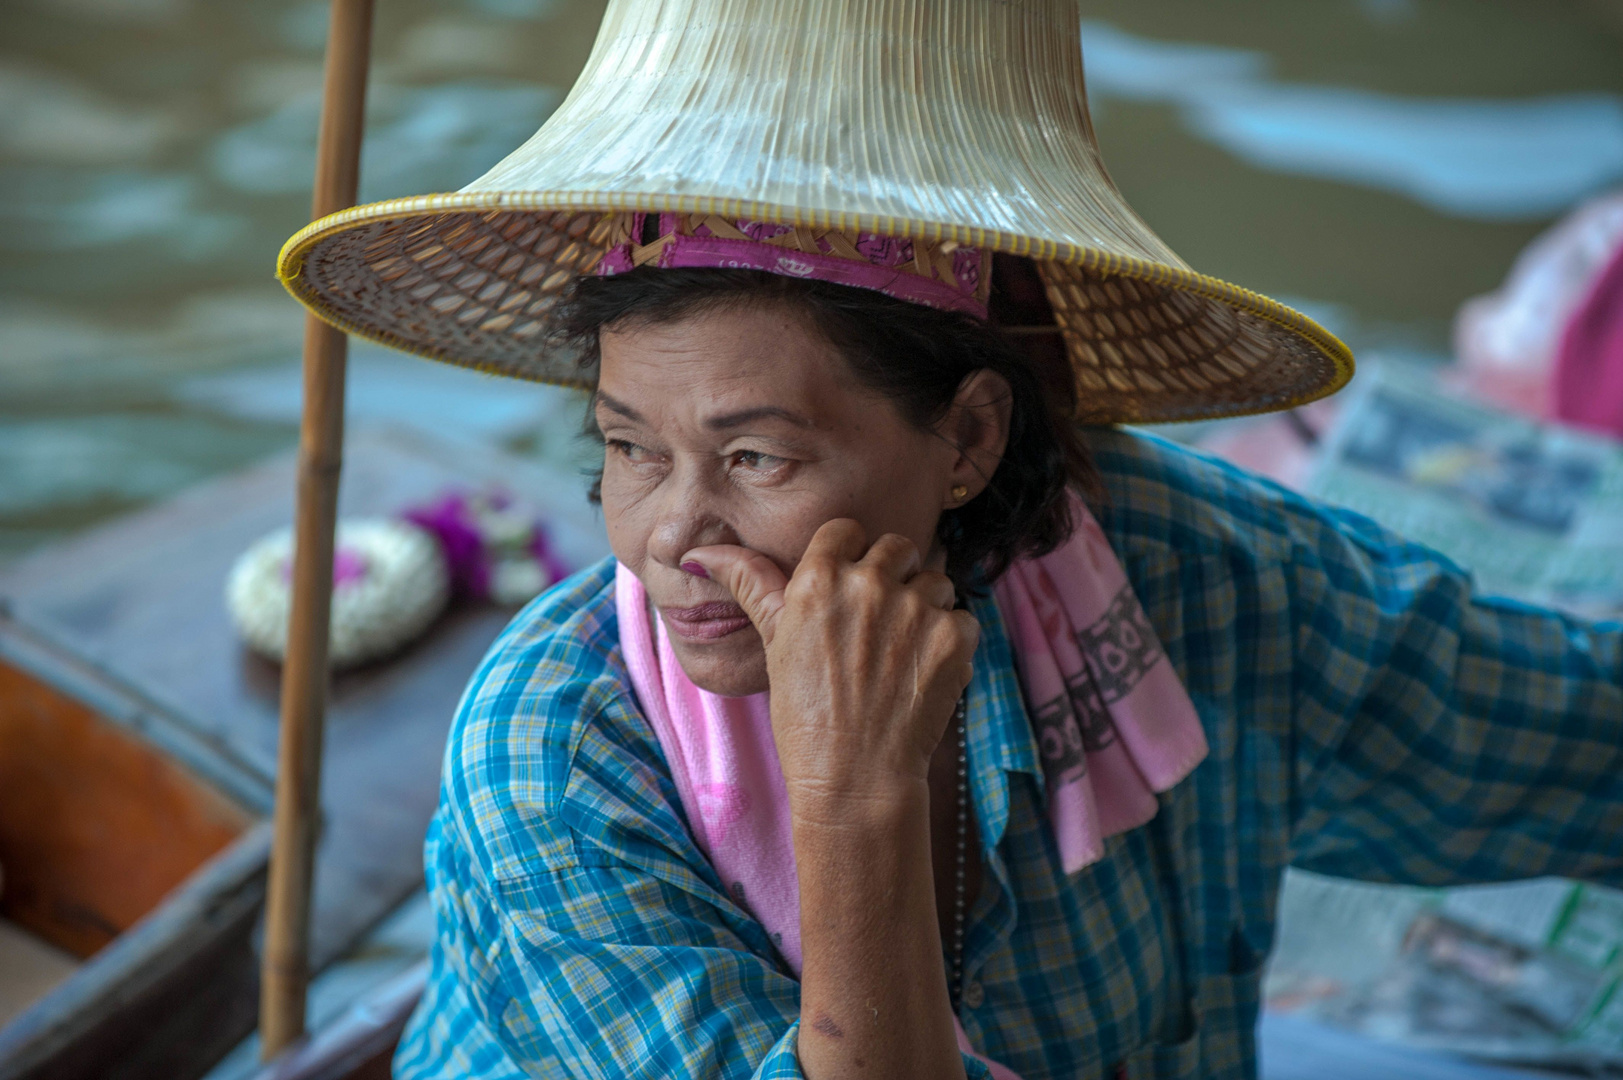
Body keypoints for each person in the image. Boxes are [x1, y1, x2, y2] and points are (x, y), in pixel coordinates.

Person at [276, 2, 1623, 1076]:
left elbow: (1552, 740)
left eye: (757, 457)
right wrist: (854, 800)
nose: (670, 535)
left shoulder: (1169, 563)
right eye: (626, 448)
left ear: (970, 441)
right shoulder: (554, 752)